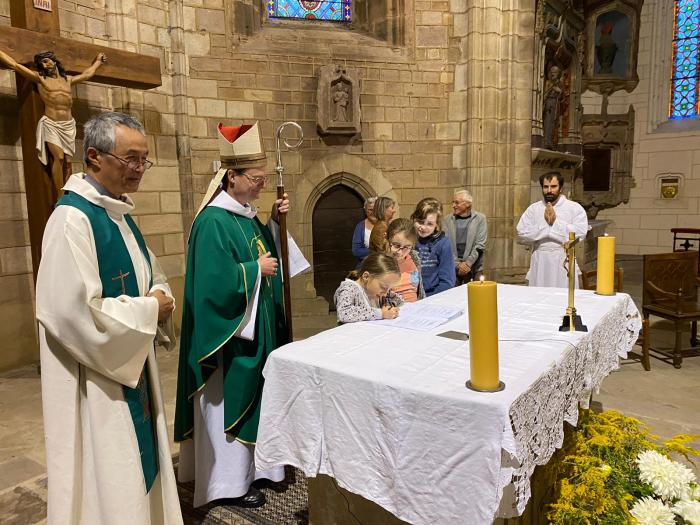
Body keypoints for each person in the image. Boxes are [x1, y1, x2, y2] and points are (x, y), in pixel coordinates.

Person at [34, 112, 182, 525]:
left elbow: (154, 276)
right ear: (95, 156)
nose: (138, 169)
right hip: (96, 376)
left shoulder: (119, 215)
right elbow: (70, 312)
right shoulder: (72, 219)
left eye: (144, 159)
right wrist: (151, 308)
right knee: (109, 466)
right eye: (130, 158)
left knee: (134, 461)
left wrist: (159, 297)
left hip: (129, 363)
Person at [174, 122, 290, 509]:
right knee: (227, 405)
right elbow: (211, 285)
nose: (260, 184)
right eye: (255, 179)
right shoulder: (212, 221)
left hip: (255, 332)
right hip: (227, 341)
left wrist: (273, 221)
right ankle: (227, 484)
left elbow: (263, 250)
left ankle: (256, 470)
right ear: (231, 176)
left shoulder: (244, 216)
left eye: (262, 179)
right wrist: (254, 270)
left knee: (259, 399)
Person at [0, 48, 106, 194]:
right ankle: (59, 195)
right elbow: (15, 65)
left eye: (45, 61)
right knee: (59, 158)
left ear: (54, 60)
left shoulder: (67, 80)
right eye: (41, 63)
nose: (44, 65)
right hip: (52, 123)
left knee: (68, 162)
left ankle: (67, 192)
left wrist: (98, 62)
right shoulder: (41, 79)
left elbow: (87, 74)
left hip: (68, 125)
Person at [516, 171, 589, 288]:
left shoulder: (574, 208)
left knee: (563, 295)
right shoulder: (534, 209)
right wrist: (544, 227)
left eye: (553, 186)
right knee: (539, 295)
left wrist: (556, 223)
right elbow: (522, 232)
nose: (549, 190)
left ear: (560, 188)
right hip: (540, 258)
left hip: (563, 257)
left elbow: (580, 233)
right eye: (546, 187)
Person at [334, 252, 401, 324]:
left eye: (389, 289)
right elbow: (344, 313)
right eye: (383, 287)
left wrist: (389, 306)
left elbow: (399, 299)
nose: (385, 293)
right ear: (366, 276)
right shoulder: (349, 289)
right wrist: (381, 313)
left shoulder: (381, 292)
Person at [412, 197, 455, 296]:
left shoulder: (443, 243)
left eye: (430, 224)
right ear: (414, 219)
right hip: (409, 295)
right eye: (420, 222)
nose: (423, 227)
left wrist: (427, 299)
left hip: (433, 295)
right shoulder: (408, 239)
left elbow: (447, 282)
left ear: (437, 225)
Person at [443, 189, 488, 285]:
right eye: (453, 202)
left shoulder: (480, 219)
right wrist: (458, 265)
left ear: (467, 204)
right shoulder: (447, 220)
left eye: (457, 202)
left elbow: (480, 245)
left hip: (474, 267)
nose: (453, 206)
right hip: (453, 268)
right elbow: (446, 245)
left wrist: (468, 264)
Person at [386, 217, 425, 302]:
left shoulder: (414, 258)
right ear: (387, 239)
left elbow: (420, 290)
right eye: (396, 245)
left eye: (406, 247)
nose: (400, 252)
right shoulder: (381, 263)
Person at [351, 196, 377, 265]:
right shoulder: (360, 227)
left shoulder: (385, 225)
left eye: (375, 209)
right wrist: (376, 251)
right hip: (366, 265)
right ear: (365, 210)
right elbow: (356, 251)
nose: (373, 212)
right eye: (370, 210)